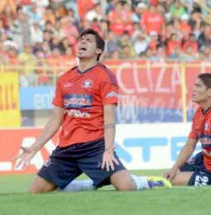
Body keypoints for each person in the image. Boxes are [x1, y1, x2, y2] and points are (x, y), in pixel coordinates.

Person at [16, 28, 171, 193]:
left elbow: (109, 117)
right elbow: (55, 119)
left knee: (126, 186)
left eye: (88, 40)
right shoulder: (64, 79)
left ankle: (144, 181)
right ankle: (88, 185)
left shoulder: (105, 76)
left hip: (94, 147)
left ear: (98, 50)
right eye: (81, 39)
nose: (82, 42)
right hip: (66, 149)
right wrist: (34, 147)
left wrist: (108, 149)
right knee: (37, 191)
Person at [164, 73, 211, 186]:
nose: (193, 89)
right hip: (205, 162)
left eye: (198, 86)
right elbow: (190, 145)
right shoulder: (199, 112)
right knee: (171, 174)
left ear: (210, 92)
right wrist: (174, 167)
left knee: (174, 180)